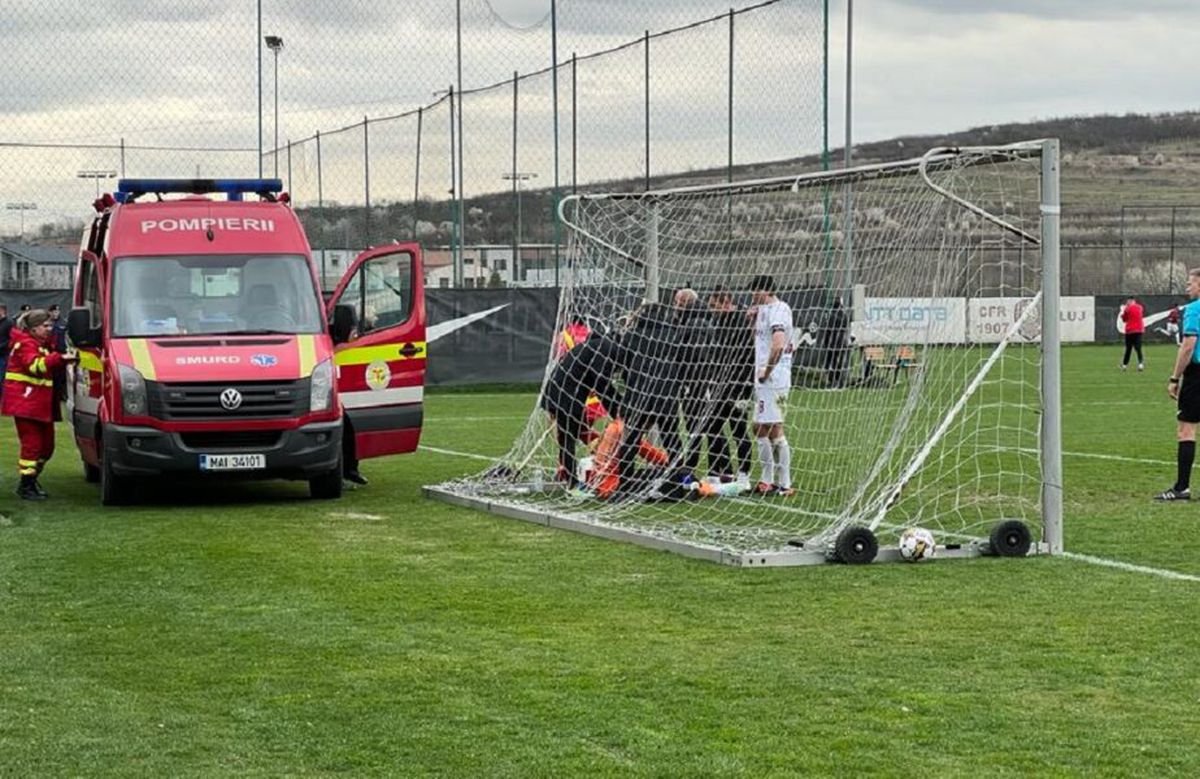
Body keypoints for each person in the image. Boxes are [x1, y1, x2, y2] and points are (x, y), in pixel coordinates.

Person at [2, 309, 77, 500]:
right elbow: (35, 366)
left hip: (40, 404)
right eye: (45, 326)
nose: (49, 329)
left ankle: (31, 478)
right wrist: (60, 358)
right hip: (26, 403)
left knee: (47, 447)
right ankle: (26, 485)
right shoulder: (25, 344)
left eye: (50, 325)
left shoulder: (42, 344)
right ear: (33, 328)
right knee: (32, 445)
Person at [539, 326, 626, 490]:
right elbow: (601, 383)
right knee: (568, 438)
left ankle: (568, 474)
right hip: (566, 396)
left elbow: (598, 382)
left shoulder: (591, 347)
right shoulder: (606, 349)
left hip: (558, 392)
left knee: (574, 434)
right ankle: (572, 482)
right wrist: (618, 411)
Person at [700, 287, 754, 484]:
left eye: (715, 306)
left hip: (739, 384)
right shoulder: (718, 322)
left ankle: (744, 473)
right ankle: (716, 472)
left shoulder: (741, 321)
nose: (712, 310)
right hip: (720, 384)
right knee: (712, 426)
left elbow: (749, 356)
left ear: (726, 302)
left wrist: (746, 387)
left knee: (738, 429)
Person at [749, 274, 795, 497]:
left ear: (765, 291)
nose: (752, 296)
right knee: (765, 427)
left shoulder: (778, 310)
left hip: (774, 379)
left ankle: (779, 482)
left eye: (755, 291)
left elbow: (777, 344)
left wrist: (766, 372)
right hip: (767, 379)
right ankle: (775, 481)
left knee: (766, 427)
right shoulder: (763, 311)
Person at [1159, 271, 1200, 500]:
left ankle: (1181, 488)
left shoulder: (1194, 310)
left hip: (1197, 375)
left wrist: (1175, 378)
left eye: (1190, 283)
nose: (1187, 287)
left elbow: (1188, 346)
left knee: (1186, 430)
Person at [820, 297, 851, 388]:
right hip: (842, 342)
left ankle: (834, 381)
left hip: (833, 342)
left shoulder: (832, 316)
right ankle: (839, 381)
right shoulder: (844, 316)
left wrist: (826, 342)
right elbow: (845, 329)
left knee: (832, 362)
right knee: (839, 362)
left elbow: (829, 330)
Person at [1119, 296, 1145, 371]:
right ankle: (1140, 364)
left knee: (1128, 349)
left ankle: (1124, 365)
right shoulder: (1140, 307)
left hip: (1130, 330)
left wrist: (1123, 314)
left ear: (1130, 301)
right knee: (1138, 348)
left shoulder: (1127, 308)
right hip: (1139, 330)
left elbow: (1124, 319)